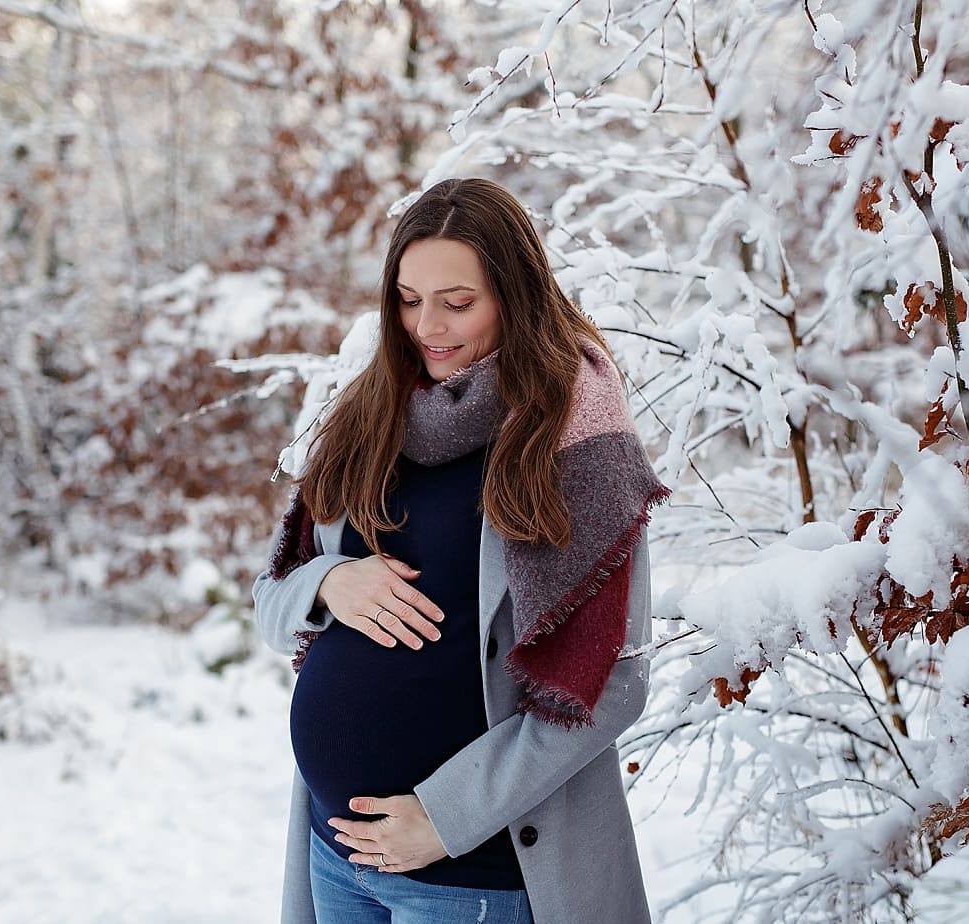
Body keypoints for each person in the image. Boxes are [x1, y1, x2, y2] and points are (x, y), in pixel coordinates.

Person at [252, 177, 667, 924]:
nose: (427, 327)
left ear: (514, 293)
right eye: (409, 300)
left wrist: (442, 817)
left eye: (458, 301)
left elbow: (609, 687)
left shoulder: (576, 439)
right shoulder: (369, 412)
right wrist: (329, 581)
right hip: (334, 854)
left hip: (473, 874)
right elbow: (271, 596)